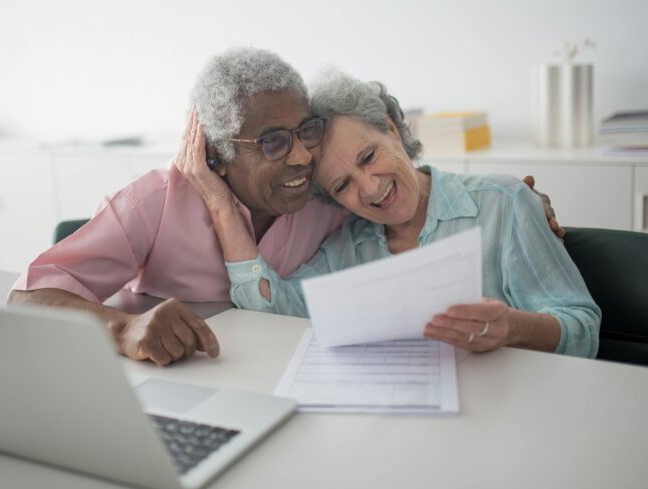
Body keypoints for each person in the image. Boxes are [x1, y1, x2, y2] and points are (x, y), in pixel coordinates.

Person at [177, 71, 601, 358]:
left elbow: (583, 329)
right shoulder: (348, 246)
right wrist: (220, 204)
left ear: (391, 129)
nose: (371, 187)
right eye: (342, 186)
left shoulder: (503, 203)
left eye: (368, 156)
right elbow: (271, 312)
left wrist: (512, 327)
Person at [8, 48, 348, 366]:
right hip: (185, 377)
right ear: (215, 153)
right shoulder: (155, 202)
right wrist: (124, 328)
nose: (302, 156)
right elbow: (28, 298)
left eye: (306, 131)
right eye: (272, 142)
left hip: (291, 369)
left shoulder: (328, 196)